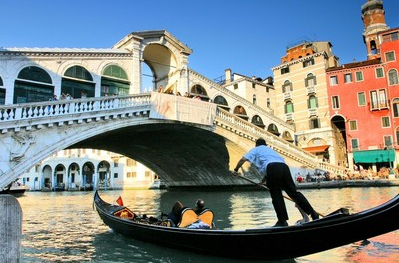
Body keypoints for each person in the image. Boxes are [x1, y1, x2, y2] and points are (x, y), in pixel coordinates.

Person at [232, 138, 319, 227]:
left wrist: (236, 170)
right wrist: (262, 182)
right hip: (284, 168)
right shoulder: (270, 151)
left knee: (276, 195)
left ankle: (282, 221)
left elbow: (243, 159)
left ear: (256, 145)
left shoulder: (256, 149)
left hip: (273, 168)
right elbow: (271, 166)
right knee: (294, 193)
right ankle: (313, 213)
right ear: (265, 144)